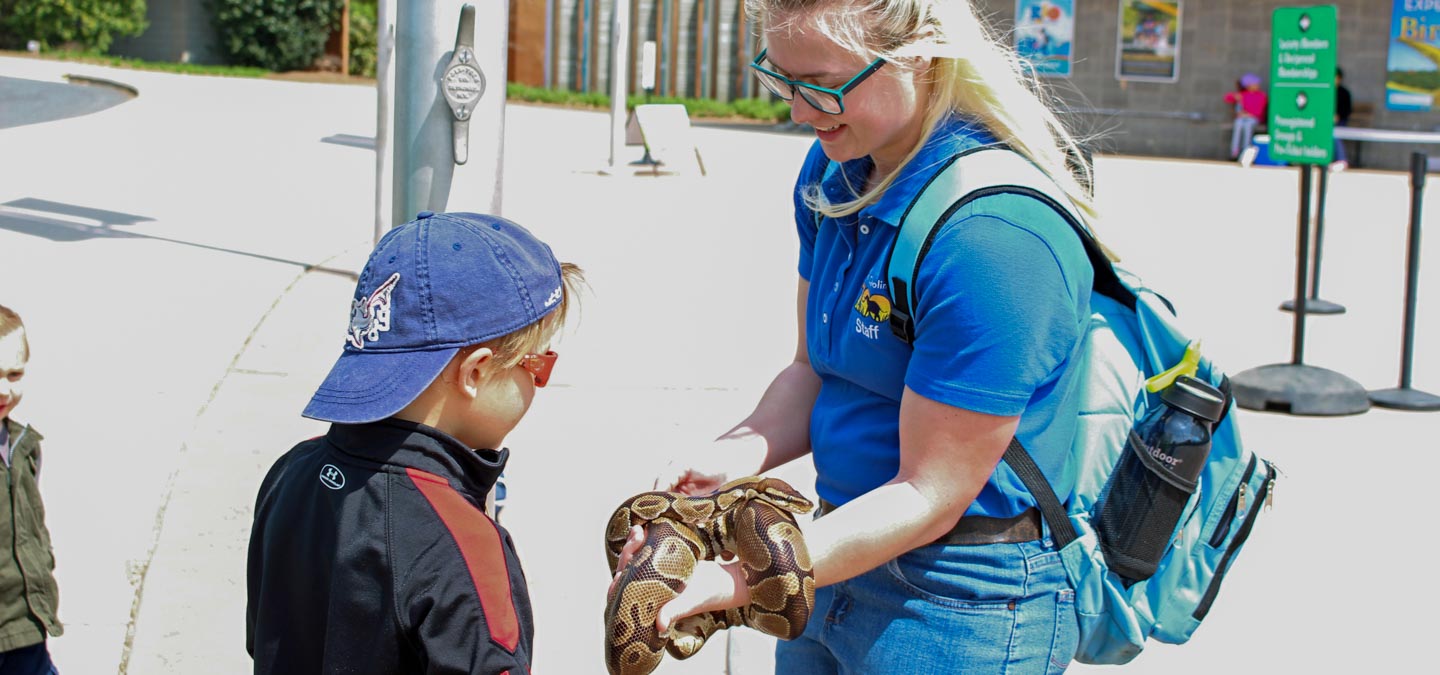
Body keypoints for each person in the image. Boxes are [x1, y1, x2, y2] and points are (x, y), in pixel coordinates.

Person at [611, 0, 1096, 671]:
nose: (799, 112)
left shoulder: (995, 239)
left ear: (919, 54)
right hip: (829, 552)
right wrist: (735, 454)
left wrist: (734, 583)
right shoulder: (832, 174)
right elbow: (814, 368)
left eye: (823, 83)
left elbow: (929, 493)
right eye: (781, 79)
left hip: (959, 600)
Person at [246, 212, 584, 674]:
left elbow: (265, 640)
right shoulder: (466, 550)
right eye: (538, 366)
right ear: (476, 373)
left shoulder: (290, 472)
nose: (540, 381)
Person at [0, 305, 62, 675]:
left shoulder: (24, 445)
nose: (4, 389)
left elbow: (33, 528)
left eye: (14, 373)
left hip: (26, 627)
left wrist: (44, 564)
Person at [1225, 73, 1267, 160]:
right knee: (1238, 124)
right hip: (1243, 118)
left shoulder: (1261, 96)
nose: (1257, 85)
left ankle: (1245, 151)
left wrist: (1248, 114)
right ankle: (1234, 152)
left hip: (1254, 119)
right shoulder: (1243, 94)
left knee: (1248, 127)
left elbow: (1259, 111)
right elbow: (1227, 98)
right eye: (1254, 84)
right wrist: (1236, 97)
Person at [1332, 66, 1353, 171]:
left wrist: (1337, 117)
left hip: (1340, 122)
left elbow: (1347, 111)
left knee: (1335, 133)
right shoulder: (1325, 92)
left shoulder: (1344, 93)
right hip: (1325, 123)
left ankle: (1341, 160)